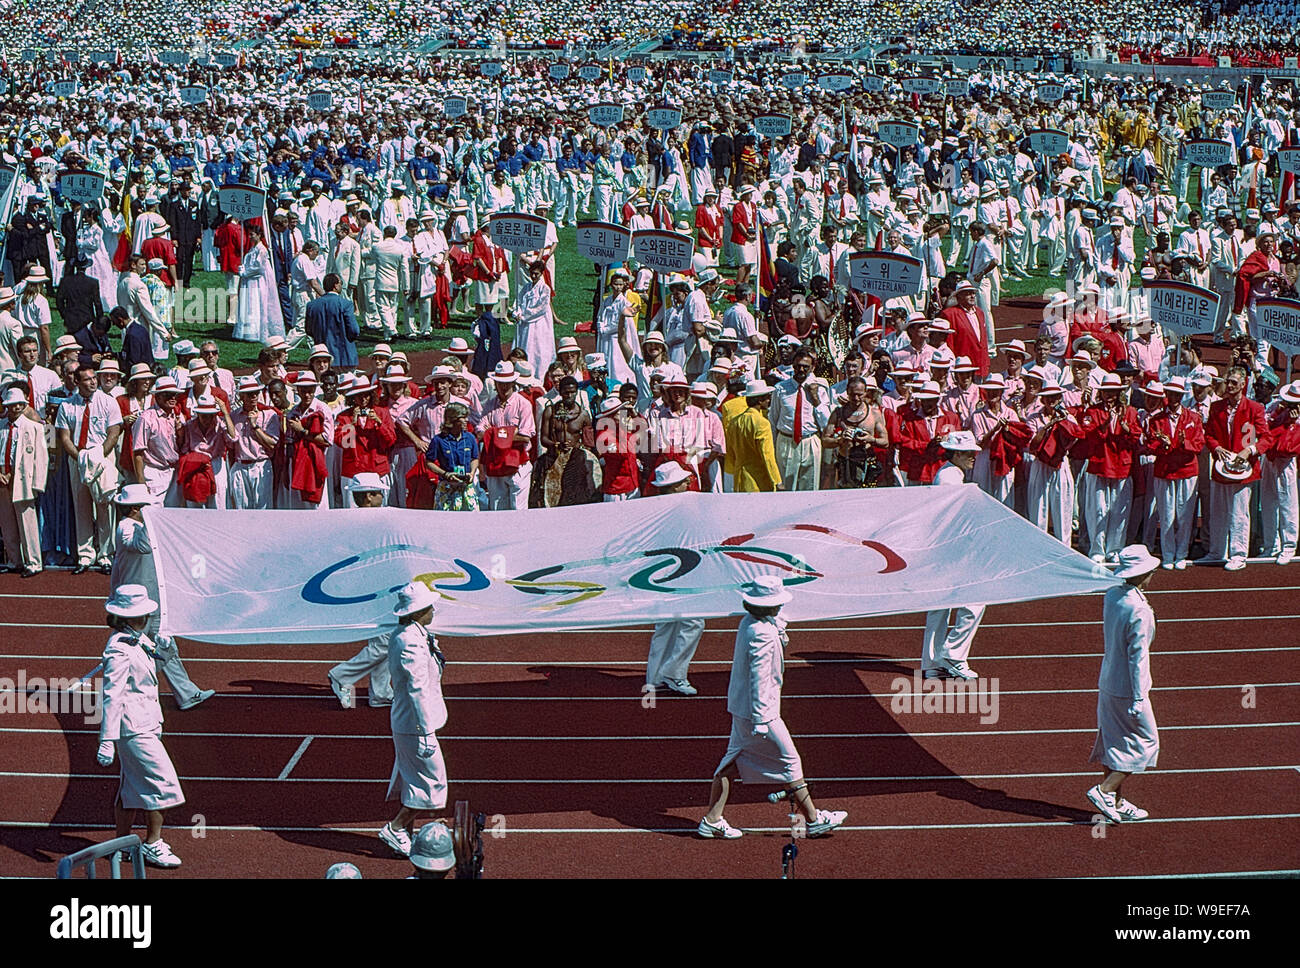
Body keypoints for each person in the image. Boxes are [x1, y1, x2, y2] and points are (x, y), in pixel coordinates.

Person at [698, 576, 847, 840]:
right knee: (790, 761)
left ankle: (712, 819)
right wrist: (760, 719)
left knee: (730, 763)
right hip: (760, 713)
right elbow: (759, 678)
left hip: (745, 709)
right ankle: (813, 820)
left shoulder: (752, 623)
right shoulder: (762, 633)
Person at [95, 584, 187, 868]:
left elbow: (152, 671)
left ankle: (121, 844)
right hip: (133, 728)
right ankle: (152, 843)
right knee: (162, 784)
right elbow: (112, 695)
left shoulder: (138, 640)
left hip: (145, 722)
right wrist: (107, 740)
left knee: (131, 788)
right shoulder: (119, 650)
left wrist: (167, 651)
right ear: (133, 618)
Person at [110, 484, 214, 710]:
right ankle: (124, 696)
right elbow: (143, 546)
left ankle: (186, 693)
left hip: (152, 600)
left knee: (165, 646)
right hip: (133, 605)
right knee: (131, 652)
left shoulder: (143, 526)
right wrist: (150, 518)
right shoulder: (125, 527)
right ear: (137, 508)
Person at [1087, 545, 1161, 825]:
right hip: (1127, 689)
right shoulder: (1139, 610)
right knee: (1147, 742)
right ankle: (1104, 790)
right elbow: (1138, 657)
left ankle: (1116, 800)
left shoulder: (1113, 595)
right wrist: (1139, 696)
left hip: (1108, 679)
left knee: (1114, 742)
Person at [379, 582, 448, 858]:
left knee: (414, 780)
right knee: (432, 783)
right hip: (413, 724)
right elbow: (416, 689)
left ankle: (406, 830)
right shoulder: (408, 641)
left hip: (412, 722)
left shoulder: (417, 634)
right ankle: (395, 828)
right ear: (419, 610)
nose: (433, 609)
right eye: (430, 605)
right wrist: (424, 732)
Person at [328, 475, 396, 710]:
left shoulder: (356, 519)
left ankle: (380, 692)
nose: (382, 497)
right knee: (385, 640)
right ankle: (342, 674)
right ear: (368, 496)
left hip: (378, 584)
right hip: (373, 587)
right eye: (379, 493)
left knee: (386, 635)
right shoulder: (368, 522)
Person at [922, 431, 986, 680]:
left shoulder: (950, 474)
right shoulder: (950, 478)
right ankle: (954, 654)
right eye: (969, 453)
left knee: (939, 606)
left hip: (943, 548)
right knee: (976, 599)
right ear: (956, 453)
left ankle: (931, 663)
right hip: (952, 550)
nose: (973, 457)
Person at [642, 463, 704, 696]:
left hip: (660, 574)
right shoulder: (678, 510)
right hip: (677, 572)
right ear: (671, 487)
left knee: (667, 623)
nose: (688, 483)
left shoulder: (656, 508)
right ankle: (674, 674)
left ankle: (656, 676)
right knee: (693, 622)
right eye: (682, 482)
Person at [56, 362, 123, 573]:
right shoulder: (67, 406)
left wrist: (98, 455)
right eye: (87, 379)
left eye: (94, 378)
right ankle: (85, 555)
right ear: (77, 382)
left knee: (105, 506)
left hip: (102, 458)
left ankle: (106, 555)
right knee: (81, 506)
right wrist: (80, 457)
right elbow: (64, 437)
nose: (93, 382)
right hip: (77, 459)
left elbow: (114, 431)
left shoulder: (108, 402)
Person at [0, 386, 49, 577]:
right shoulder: (2, 426)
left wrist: (37, 484)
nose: (16, 408)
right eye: (12, 405)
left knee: (27, 522)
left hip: (23, 480)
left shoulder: (34, 427)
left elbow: (41, 458)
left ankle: (34, 562)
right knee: (7, 522)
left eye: (20, 404)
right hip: (3, 479)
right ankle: (14, 560)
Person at [723, 379, 782, 492]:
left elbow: (731, 453)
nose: (769, 400)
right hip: (757, 479)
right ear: (760, 400)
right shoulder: (762, 423)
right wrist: (777, 480)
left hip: (739, 477)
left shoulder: (734, 422)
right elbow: (767, 455)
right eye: (766, 397)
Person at [305, 274, 360, 369]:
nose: (341, 286)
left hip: (321, 358)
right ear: (335, 286)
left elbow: (309, 330)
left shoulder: (312, 305)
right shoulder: (345, 304)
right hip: (344, 356)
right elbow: (354, 330)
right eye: (340, 283)